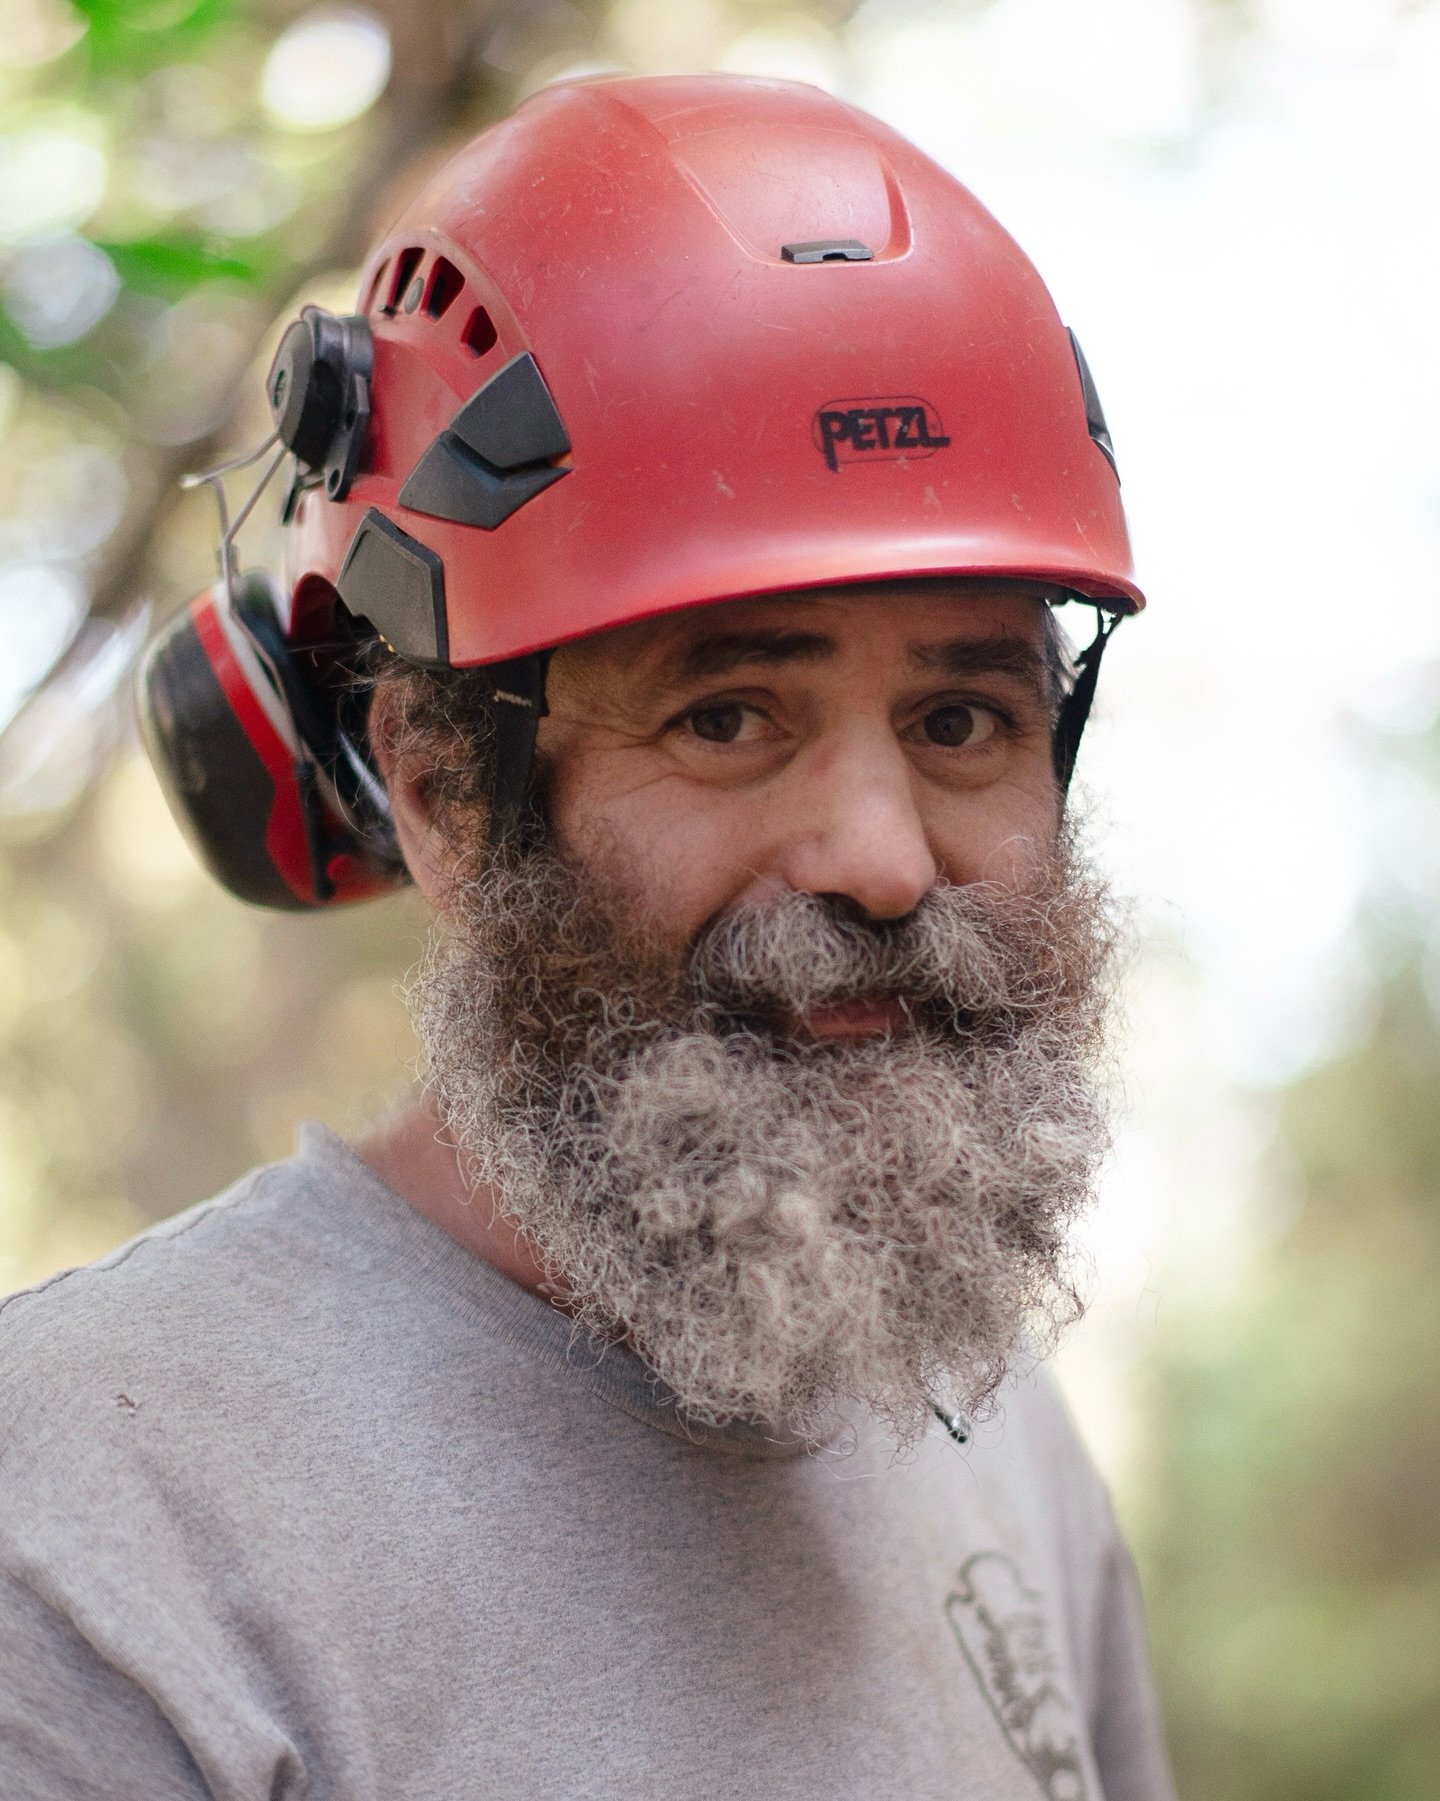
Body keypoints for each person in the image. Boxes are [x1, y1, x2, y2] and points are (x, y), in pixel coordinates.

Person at [0, 74, 1175, 1800]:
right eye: (727, 716)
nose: (879, 856)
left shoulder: (996, 1440)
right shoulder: (95, 1538)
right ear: (440, 795)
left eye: (963, 719)